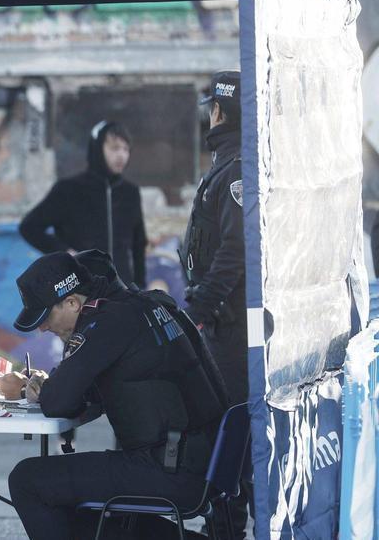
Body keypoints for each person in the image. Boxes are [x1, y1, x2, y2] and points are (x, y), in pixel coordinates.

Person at [0, 252, 227, 540]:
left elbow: (58, 403)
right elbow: (91, 390)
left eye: (46, 316)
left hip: (169, 470)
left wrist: (26, 387)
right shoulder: (149, 305)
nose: (42, 328)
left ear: (72, 302)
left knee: (28, 481)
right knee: (71, 496)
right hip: (205, 464)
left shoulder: (107, 321)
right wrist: (50, 384)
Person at [180, 70, 250, 537]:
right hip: (222, 327)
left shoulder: (238, 167)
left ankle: (226, 527)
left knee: (227, 437)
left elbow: (235, 250)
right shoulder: (228, 163)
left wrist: (197, 311)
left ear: (220, 112)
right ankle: (223, 523)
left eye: (213, 108)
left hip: (230, 331)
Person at [19, 120, 147, 287]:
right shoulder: (68, 190)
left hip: (122, 292)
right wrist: (66, 253)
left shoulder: (130, 192)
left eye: (126, 149)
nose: (122, 155)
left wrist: (140, 289)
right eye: (115, 148)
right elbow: (29, 227)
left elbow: (139, 244)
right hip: (80, 291)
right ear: (97, 149)